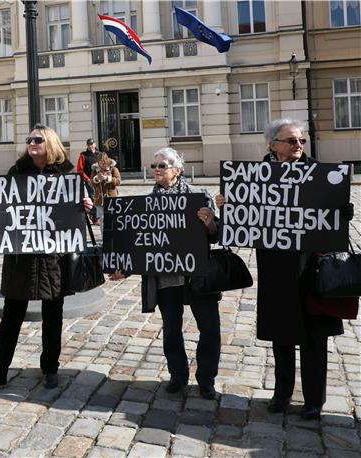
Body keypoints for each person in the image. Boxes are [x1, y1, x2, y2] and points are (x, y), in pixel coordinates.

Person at [218, 118, 349, 419]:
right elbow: (239, 226)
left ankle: (315, 400)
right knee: (282, 334)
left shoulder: (320, 175)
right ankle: (282, 394)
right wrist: (229, 205)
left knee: (315, 338)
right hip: (276, 269)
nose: (298, 146)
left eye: (301, 140)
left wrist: (343, 211)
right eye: (291, 141)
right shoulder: (251, 179)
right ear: (273, 144)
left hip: (312, 268)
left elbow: (333, 219)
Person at [0, 124, 93, 392]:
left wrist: (86, 207)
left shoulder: (67, 175)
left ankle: (50, 368)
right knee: (12, 315)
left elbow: (80, 215)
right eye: (29, 139)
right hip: (20, 258)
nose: (32, 143)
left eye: (38, 139)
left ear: (50, 144)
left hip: (53, 257)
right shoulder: (16, 173)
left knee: (52, 315)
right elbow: (1, 208)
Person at [109, 147, 221, 399]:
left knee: (210, 328)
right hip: (166, 278)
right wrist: (123, 269)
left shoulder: (200, 197)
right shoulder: (144, 204)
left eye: (163, 165)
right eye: (155, 166)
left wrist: (210, 223)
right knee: (171, 328)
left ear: (178, 171)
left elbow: (216, 235)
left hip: (198, 276)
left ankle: (206, 379)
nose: (157, 170)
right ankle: (177, 375)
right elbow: (139, 244)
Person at [89, 151, 121, 225]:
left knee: (112, 218)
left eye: (103, 163)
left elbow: (118, 181)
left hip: (111, 197)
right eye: (100, 163)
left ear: (107, 161)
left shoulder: (113, 169)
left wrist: (107, 178)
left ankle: (113, 235)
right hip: (99, 199)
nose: (102, 165)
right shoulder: (95, 169)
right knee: (102, 219)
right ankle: (104, 236)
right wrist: (96, 179)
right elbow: (90, 182)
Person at [76, 138, 100, 203]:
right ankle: (94, 212)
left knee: (101, 196)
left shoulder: (100, 154)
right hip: (90, 180)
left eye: (91, 144)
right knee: (93, 196)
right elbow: (79, 170)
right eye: (88, 145)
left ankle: (102, 212)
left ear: (95, 145)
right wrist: (87, 179)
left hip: (100, 179)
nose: (90, 146)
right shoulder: (83, 155)